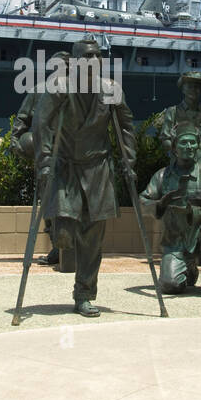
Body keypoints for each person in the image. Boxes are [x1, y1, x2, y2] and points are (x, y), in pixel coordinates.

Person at [36, 36, 136, 317]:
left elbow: (125, 126)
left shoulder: (111, 89)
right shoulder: (59, 88)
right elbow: (41, 123)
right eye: (87, 57)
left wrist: (130, 159)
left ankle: (84, 294)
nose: (93, 61)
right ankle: (59, 227)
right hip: (66, 167)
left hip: (98, 168)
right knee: (65, 238)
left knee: (93, 239)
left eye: (97, 56)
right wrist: (44, 162)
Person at [140, 126, 201, 299]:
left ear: (198, 147)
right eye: (184, 142)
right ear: (174, 148)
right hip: (175, 241)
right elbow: (142, 202)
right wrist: (160, 203)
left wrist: (195, 213)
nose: (189, 146)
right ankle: (189, 267)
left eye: (193, 142)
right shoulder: (162, 176)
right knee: (170, 286)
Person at [11, 50, 70, 266]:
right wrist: (16, 139)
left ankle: (70, 247)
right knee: (47, 201)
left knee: (69, 201)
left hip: (69, 155)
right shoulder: (37, 91)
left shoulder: (77, 93)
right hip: (45, 155)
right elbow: (22, 117)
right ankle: (56, 245)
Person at [159, 71, 201, 165]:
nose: (194, 90)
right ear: (183, 89)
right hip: (179, 166)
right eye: (190, 86)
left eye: (197, 87)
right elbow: (164, 138)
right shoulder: (173, 112)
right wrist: (176, 148)